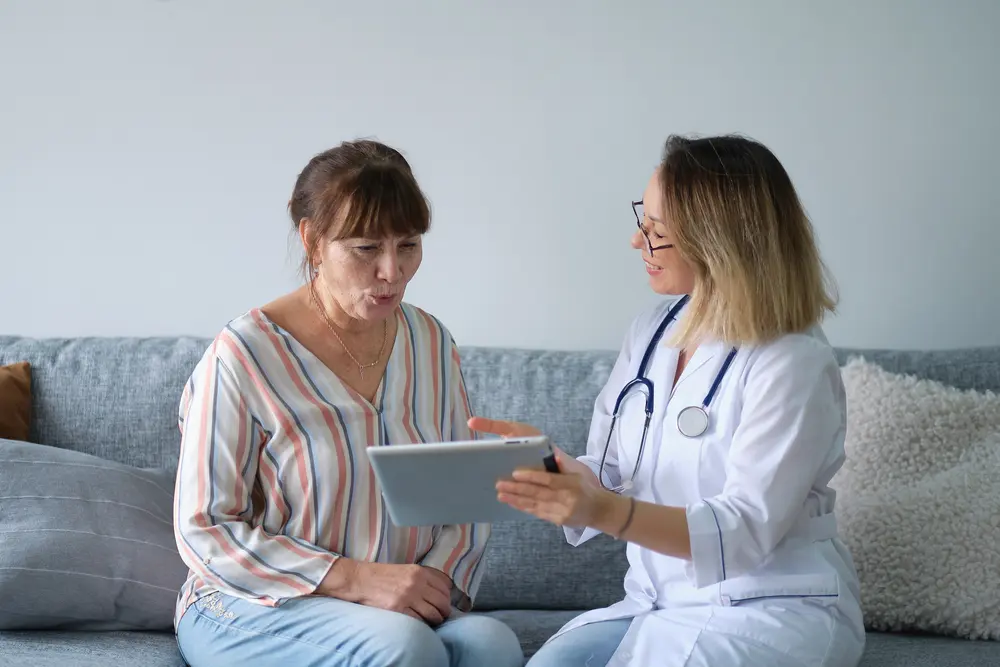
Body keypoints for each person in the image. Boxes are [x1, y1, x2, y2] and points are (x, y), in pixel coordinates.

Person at [471, 134, 866, 666]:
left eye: (656, 232)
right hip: (659, 605)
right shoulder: (654, 331)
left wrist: (604, 510)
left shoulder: (792, 362)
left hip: (768, 608)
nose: (638, 242)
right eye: (643, 222)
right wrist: (557, 473)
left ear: (716, 241)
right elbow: (612, 467)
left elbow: (745, 532)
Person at [172, 139, 524, 667]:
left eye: (408, 245)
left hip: (395, 608)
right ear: (312, 241)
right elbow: (205, 527)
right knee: (404, 648)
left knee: (491, 645)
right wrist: (358, 580)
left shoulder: (430, 342)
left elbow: (462, 496)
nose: (392, 271)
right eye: (365, 249)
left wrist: (430, 586)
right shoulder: (243, 355)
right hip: (251, 603)